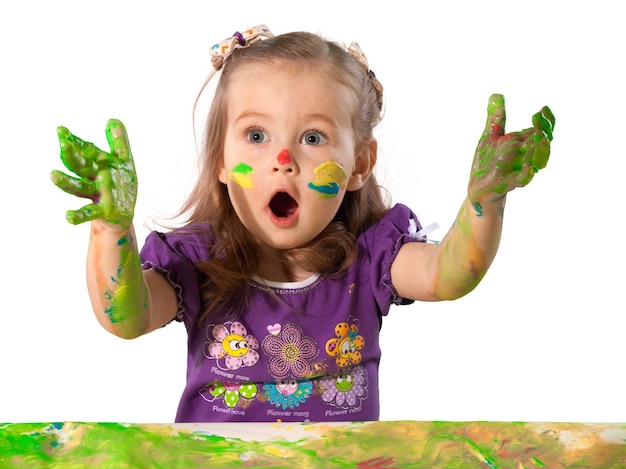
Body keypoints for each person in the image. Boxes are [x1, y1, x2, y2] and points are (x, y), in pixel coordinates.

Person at [50, 25, 554, 423]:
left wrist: (485, 200)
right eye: (255, 134)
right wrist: (111, 228)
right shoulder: (196, 260)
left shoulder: (373, 255)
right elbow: (126, 318)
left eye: (313, 138)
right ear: (221, 160)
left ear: (359, 163)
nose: (283, 158)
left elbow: (449, 275)